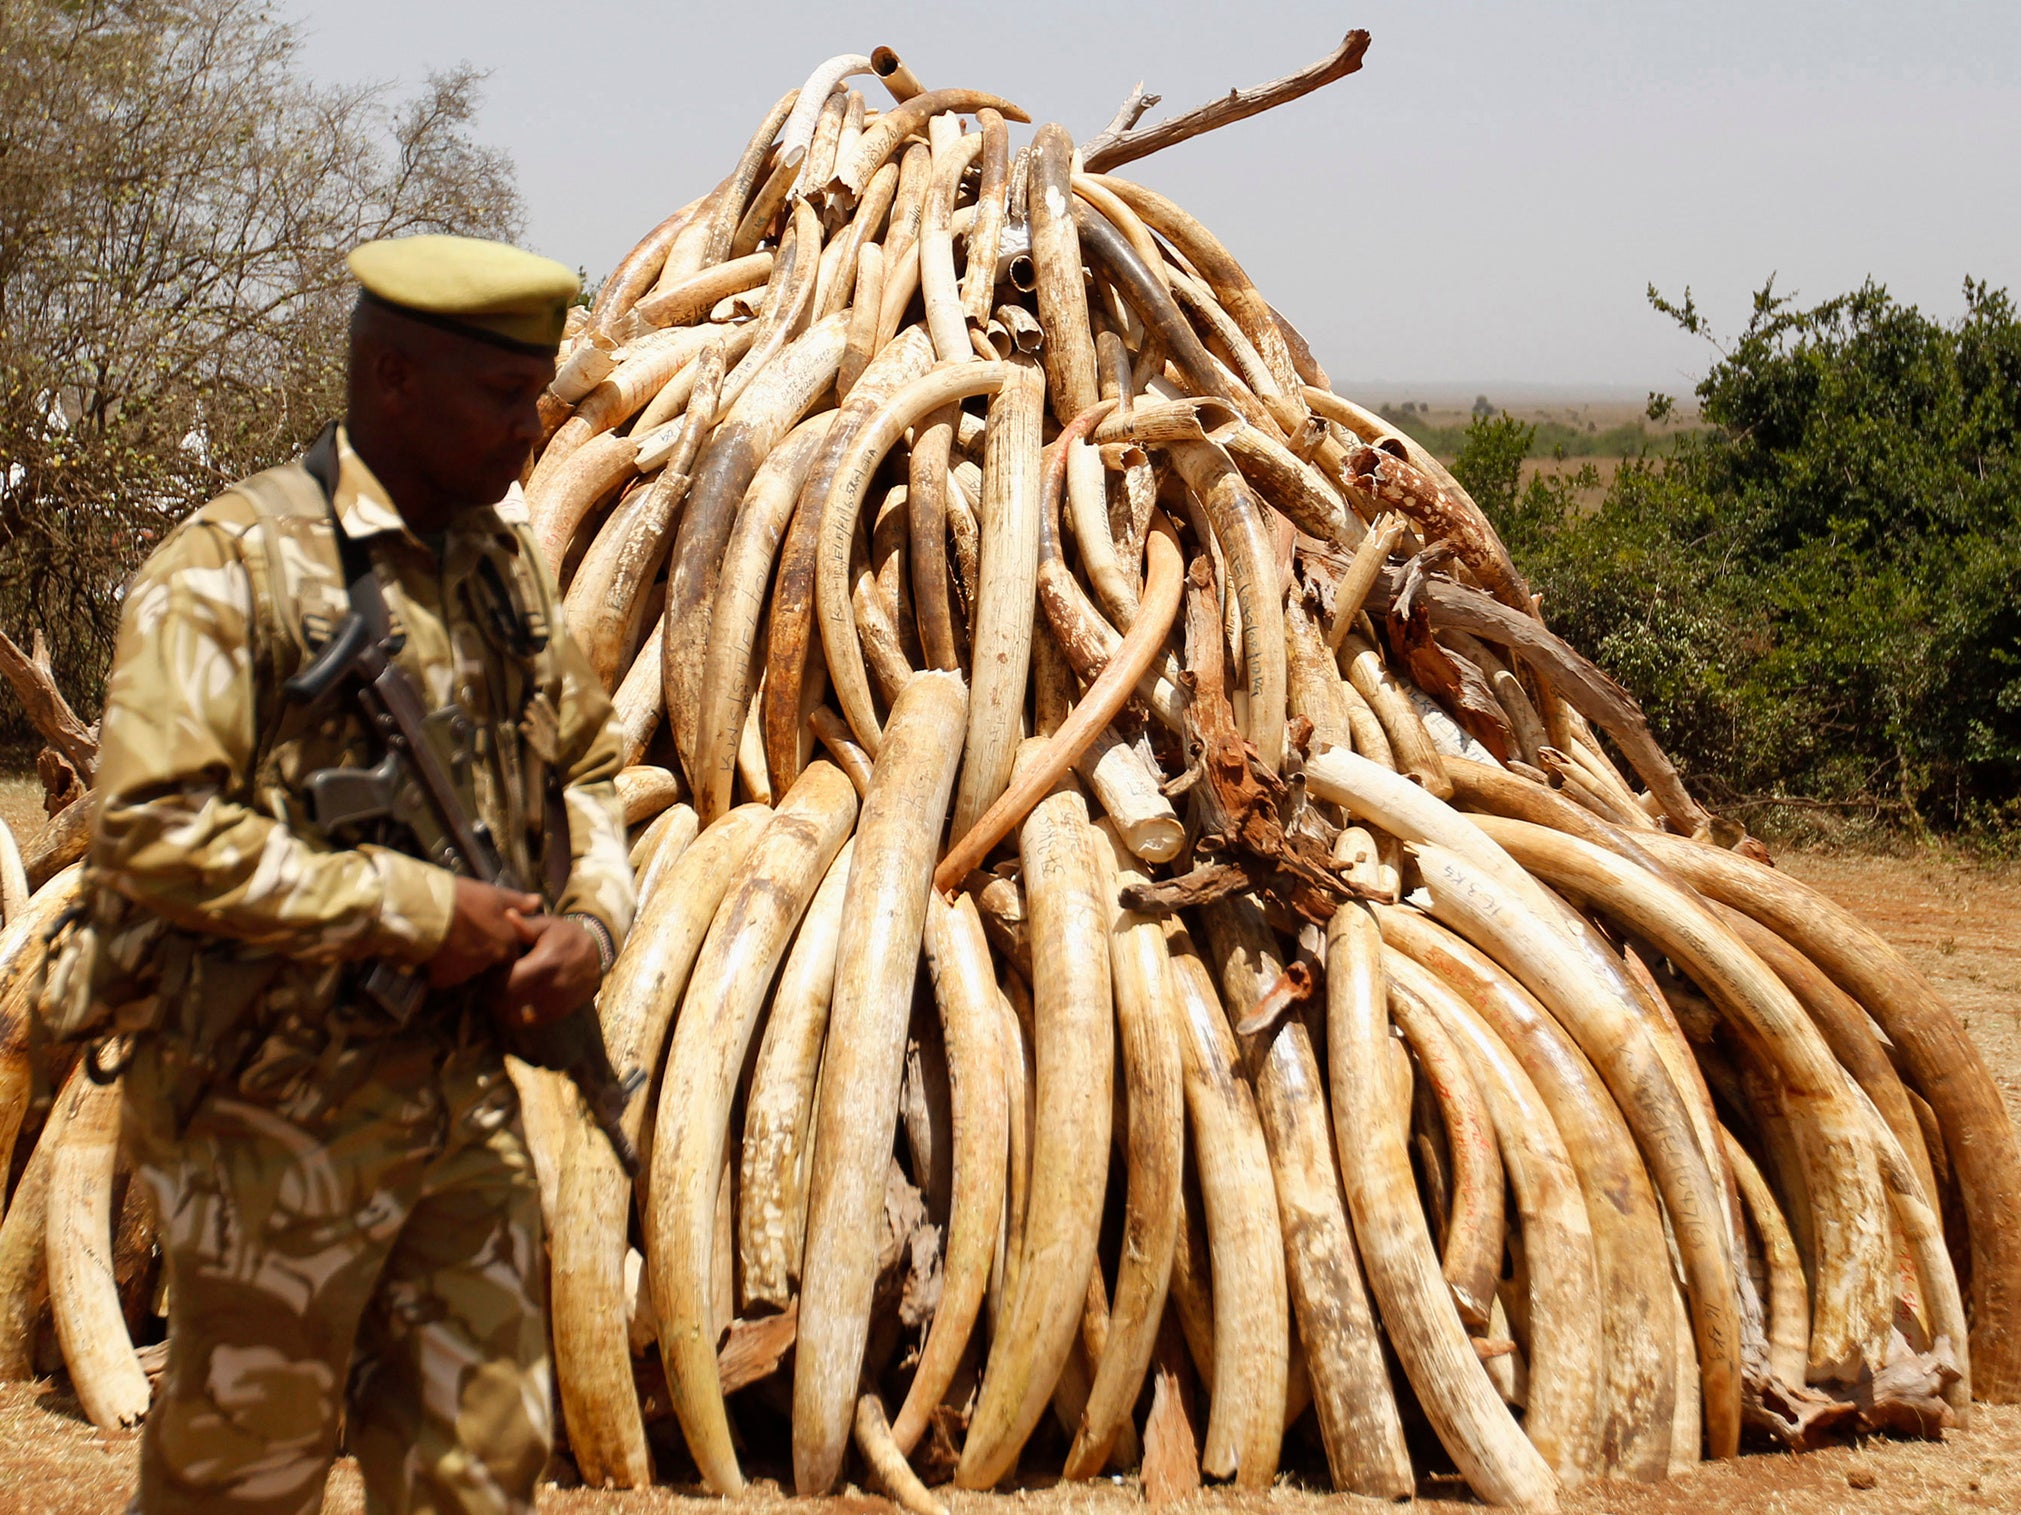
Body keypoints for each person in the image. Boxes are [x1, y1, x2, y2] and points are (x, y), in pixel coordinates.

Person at [90, 234, 637, 1515]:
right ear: (392, 380)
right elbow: (152, 827)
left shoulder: (498, 572)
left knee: (484, 1468)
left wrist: (593, 922)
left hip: (460, 1116)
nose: (529, 430)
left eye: (538, 397)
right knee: (243, 1477)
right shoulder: (231, 568)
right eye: (502, 398)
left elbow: (590, 770)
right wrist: (405, 907)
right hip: (268, 1129)